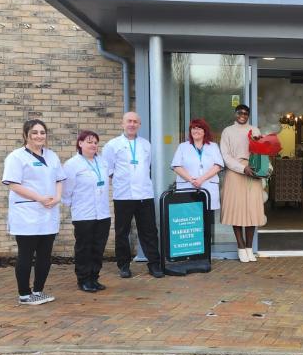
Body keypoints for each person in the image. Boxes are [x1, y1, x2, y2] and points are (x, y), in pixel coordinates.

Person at [2, 119, 65, 305]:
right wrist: (39, 198)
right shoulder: (16, 157)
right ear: (26, 135)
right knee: (26, 254)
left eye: (42, 132)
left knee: (45, 255)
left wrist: (58, 197)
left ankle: (38, 291)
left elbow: (59, 179)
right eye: (34, 132)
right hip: (26, 213)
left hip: (49, 212)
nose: (39, 136)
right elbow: (13, 184)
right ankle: (24, 294)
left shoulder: (52, 156)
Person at [101, 112, 164, 278]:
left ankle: (154, 264)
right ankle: (124, 265)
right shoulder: (112, 145)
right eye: (129, 121)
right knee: (122, 232)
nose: (132, 124)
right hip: (123, 196)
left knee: (149, 231)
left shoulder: (145, 144)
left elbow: (147, 167)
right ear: (122, 124)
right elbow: (108, 169)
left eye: (135, 121)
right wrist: (122, 181)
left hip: (144, 194)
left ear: (139, 125)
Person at [62, 130, 111, 293]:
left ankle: (94, 278)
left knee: (98, 247)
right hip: (84, 213)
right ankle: (83, 279)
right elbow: (66, 190)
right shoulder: (72, 164)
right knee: (84, 248)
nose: (93, 145)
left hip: (102, 213)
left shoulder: (103, 162)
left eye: (96, 142)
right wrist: (71, 206)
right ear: (80, 143)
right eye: (89, 141)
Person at [220, 104, 265, 263]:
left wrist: (266, 168)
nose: (243, 115)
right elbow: (225, 156)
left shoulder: (255, 130)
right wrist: (241, 168)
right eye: (240, 112)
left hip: (253, 171)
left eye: (246, 113)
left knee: (252, 210)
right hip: (235, 172)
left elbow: (262, 152)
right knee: (237, 211)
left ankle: (249, 248)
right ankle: (240, 247)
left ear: (249, 115)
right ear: (235, 114)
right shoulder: (227, 131)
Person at [171, 118, 224, 206]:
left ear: (204, 131)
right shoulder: (182, 146)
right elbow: (176, 166)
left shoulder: (213, 146)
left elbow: (218, 166)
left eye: (199, 128)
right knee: (189, 216)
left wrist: (201, 179)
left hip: (208, 186)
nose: (196, 131)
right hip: (187, 186)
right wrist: (191, 180)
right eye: (193, 128)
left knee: (207, 216)